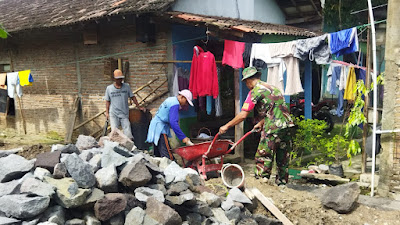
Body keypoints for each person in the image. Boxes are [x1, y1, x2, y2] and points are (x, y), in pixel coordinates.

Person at [219, 67, 294, 185]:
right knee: (282, 156)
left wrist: (226, 126)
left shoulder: (255, 91)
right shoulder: (274, 89)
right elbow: (274, 110)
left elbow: (243, 115)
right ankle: (282, 184)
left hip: (272, 127)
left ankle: (261, 181)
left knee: (264, 154)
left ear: (248, 81)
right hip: (287, 126)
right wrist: (261, 123)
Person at [146, 89, 195, 159]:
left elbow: (171, 121)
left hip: (155, 126)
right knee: (167, 155)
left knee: (158, 154)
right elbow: (173, 122)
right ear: (182, 97)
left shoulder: (171, 100)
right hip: (160, 128)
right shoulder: (175, 104)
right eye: (186, 102)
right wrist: (183, 137)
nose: (186, 104)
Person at [105, 69, 143, 140]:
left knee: (127, 131)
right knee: (114, 131)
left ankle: (130, 146)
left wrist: (138, 106)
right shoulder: (109, 88)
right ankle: (115, 147)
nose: (120, 80)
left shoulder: (126, 86)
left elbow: (133, 97)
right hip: (114, 113)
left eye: (121, 79)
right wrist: (107, 113)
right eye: (118, 79)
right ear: (114, 79)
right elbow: (107, 101)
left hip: (124, 113)